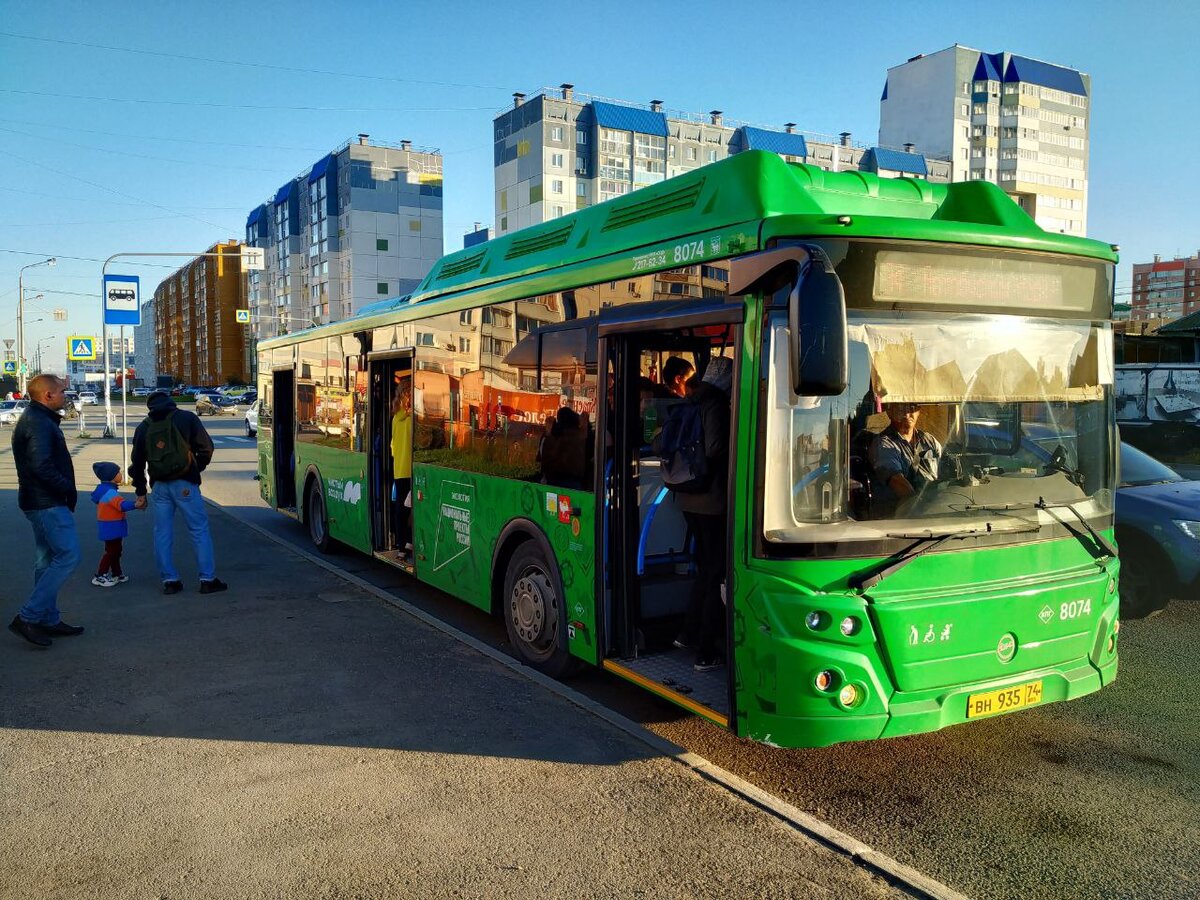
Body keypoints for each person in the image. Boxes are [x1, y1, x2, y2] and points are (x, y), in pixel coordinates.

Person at [8, 374, 83, 647]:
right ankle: (28, 616)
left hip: (39, 501)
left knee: (46, 561)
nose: (66, 396)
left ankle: (48, 619)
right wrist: (65, 488)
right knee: (69, 555)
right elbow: (41, 465)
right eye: (62, 392)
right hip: (47, 503)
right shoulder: (38, 422)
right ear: (47, 396)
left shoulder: (37, 418)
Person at [129, 391, 226, 595]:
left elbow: (137, 463)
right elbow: (207, 448)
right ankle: (207, 580)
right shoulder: (187, 418)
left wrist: (140, 491)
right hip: (185, 484)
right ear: (171, 402)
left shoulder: (144, 427)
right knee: (198, 530)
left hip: (160, 486)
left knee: (162, 533)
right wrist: (193, 469)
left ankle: (170, 581)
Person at [670, 356, 733, 673]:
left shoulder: (690, 400)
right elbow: (716, 448)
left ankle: (687, 633)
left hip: (687, 498)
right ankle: (706, 651)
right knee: (716, 572)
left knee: (705, 568)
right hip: (713, 500)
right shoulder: (716, 402)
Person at [868, 402, 943, 511]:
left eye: (912, 408)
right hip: (900, 517)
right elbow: (897, 482)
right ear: (890, 413)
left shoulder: (929, 440)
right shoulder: (883, 444)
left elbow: (946, 467)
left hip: (938, 509)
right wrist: (922, 508)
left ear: (918, 411)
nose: (907, 414)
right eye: (901, 409)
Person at [90, 461, 141, 588]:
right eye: (118, 472)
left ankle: (117, 573)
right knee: (112, 551)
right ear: (111, 476)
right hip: (112, 526)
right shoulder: (110, 493)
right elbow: (121, 505)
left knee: (115, 551)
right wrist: (136, 505)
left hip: (108, 525)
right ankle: (101, 574)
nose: (121, 474)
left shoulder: (104, 491)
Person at [390, 380, 413, 558]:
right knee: (406, 509)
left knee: (405, 509)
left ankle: (404, 544)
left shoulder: (397, 417)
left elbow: (393, 446)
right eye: (409, 394)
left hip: (402, 468)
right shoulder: (407, 418)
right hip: (407, 469)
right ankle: (404, 545)